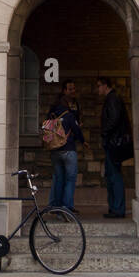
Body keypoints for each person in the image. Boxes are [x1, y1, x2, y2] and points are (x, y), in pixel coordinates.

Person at [45, 82, 84, 213]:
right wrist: (83, 141)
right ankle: (66, 207)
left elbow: (46, 130)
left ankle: (55, 206)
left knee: (59, 178)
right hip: (68, 149)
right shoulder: (68, 115)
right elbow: (77, 130)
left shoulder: (51, 115)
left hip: (55, 150)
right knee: (70, 179)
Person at [95, 77, 128, 219]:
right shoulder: (112, 99)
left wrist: (104, 133)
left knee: (114, 175)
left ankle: (118, 209)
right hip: (113, 142)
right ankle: (115, 208)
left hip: (114, 143)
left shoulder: (112, 99)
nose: (98, 89)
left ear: (105, 85)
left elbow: (114, 119)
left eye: (99, 86)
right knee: (111, 175)